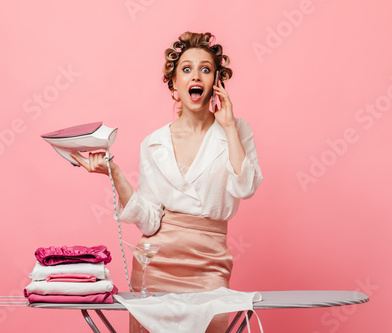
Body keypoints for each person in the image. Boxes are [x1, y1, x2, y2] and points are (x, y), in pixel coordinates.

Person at [71, 31, 262, 333]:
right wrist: (115, 172)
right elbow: (149, 221)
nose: (195, 76)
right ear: (174, 84)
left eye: (205, 69)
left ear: (216, 82)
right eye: (186, 69)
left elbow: (246, 187)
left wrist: (227, 126)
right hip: (155, 267)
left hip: (209, 266)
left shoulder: (237, 130)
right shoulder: (153, 143)